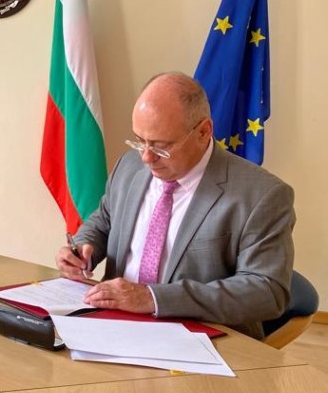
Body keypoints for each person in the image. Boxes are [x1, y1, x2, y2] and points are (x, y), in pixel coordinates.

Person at [55, 71, 294, 339]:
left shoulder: (262, 195)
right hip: (113, 325)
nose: (146, 157)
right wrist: (83, 248)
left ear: (203, 131)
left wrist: (153, 298)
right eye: (139, 141)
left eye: (161, 146)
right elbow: (104, 221)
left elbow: (267, 291)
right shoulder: (128, 166)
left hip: (202, 338)